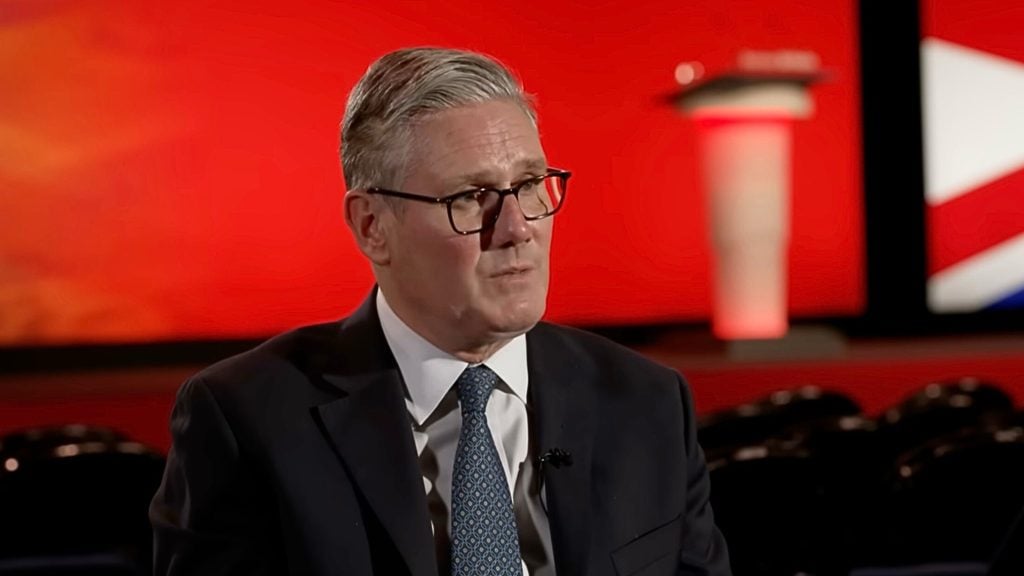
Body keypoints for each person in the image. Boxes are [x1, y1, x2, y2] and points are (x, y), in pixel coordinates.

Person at [150, 47, 731, 576]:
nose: (517, 228)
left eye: (531, 184)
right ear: (372, 226)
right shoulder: (247, 420)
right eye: (472, 198)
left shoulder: (646, 403)